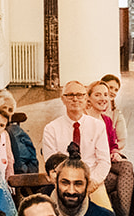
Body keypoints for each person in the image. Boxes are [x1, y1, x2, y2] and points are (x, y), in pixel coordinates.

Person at [42, 79, 113, 208]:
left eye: (80, 95)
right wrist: (69, 184)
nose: (75, 99)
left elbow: (104, 161)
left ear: (86, 98)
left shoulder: (97, 126)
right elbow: (52, 163)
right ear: (63, 99)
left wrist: (92, 183)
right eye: (70, 95)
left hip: (92, 182)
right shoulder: (51, 128)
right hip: (64, 184)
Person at [88, 78, 134, 216]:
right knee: (118, 181)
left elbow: (113, 142)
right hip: (92, 166)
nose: (103, 98)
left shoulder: (107, 120)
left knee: (127, 165)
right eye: (97, 95)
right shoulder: (84, 120)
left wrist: (114, 151)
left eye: (105, 95)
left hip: (107, 160)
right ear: (88, 98)